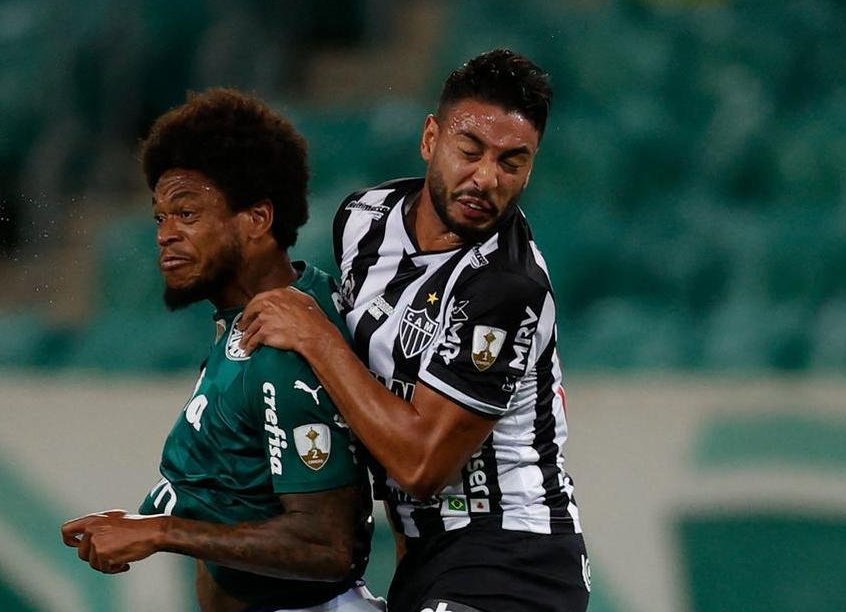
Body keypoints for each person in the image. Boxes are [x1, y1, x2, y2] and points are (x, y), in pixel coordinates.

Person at [240, 49, 589, 612]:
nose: (485, 178)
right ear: (431, 139)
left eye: (512, 162)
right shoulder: (364, 219)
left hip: (514, 556)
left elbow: (422, 467)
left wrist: (316, 335)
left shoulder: (505, 286)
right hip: (426, 559)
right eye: (469, 150)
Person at [60, 89, 381, 612]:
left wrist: (163, 532)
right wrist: (135, 525)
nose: (166, 235)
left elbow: (326, 547)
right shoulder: (248, 321)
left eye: (187, 213)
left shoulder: (284, 345)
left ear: (255, 220)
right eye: (160, 218)